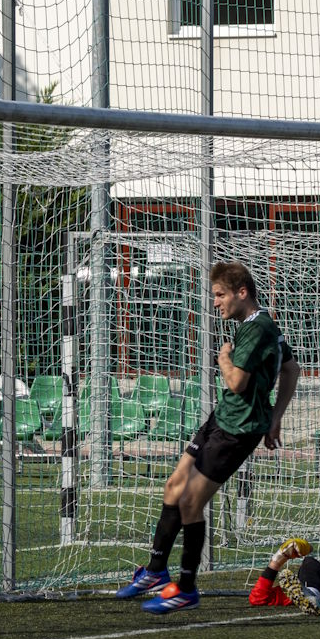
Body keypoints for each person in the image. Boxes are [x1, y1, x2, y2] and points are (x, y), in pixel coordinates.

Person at [115, 261, 301, 614]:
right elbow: (291, 367)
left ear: (241, 293)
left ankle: (186, 588)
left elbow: (236, 382)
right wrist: (276, 418)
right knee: (173, 487)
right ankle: (156, 571)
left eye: (220, 295)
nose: (215, 303)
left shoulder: (258, 328)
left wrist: (224, 358)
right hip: (221, 418)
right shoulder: (258, 325)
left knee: (189, 503)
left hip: (237, 431)